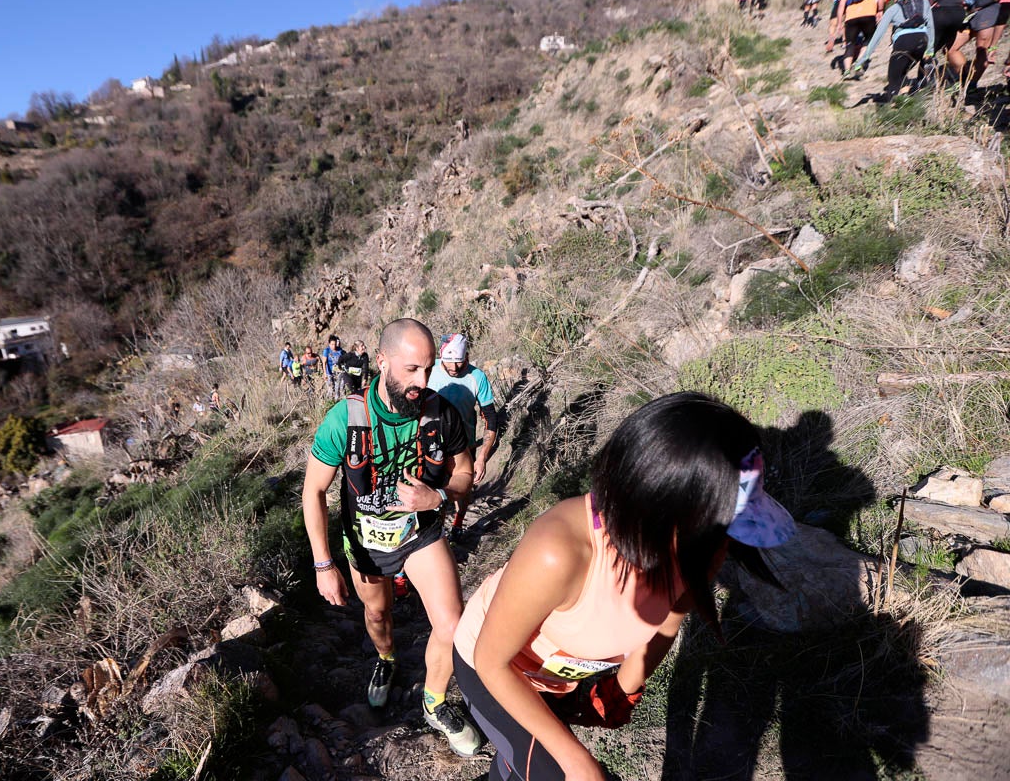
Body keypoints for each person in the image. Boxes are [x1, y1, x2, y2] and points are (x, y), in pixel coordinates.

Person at [451, 392, 795, 781]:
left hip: (560, 682)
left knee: (522, 768)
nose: (725, 550)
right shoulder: (560, 551)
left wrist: (622, 690)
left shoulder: (692, 549)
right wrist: (580, 764)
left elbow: (667, 623)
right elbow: (491, 661)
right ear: (663, 512)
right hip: (496, 670)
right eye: (720, 531)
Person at [302, 318, 482, 757]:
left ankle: (434, 701)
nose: (422, 381)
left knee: (451, 623)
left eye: (427, 369)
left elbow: (464, 472)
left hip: (420, 532)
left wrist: (435, 495)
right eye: (410, 370)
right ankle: (386, 661)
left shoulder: (441, 411)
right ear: (381, 362)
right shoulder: (345, 419)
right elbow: (314, 490)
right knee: (378, 618)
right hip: (365, 543)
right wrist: (324, 565)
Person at [427, 333, 499, 533]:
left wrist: (482, 457)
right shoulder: (428, 370)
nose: (455, 368)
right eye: (449, 364)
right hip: (432, 444)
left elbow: (490, 418)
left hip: (464, 445)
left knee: (464, 488)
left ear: (466, 357)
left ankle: (458, 521)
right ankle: (436, 533)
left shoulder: (477, 377)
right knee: (436, 490)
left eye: (460, 363)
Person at [848, 0, 935, 99]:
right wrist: (930, 50)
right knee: (902, 71)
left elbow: (878, 35)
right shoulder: (924, 3)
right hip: (922, 40)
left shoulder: (893, 9)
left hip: (904, 42)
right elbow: (930, 27)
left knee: (893, 77)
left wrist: (862, 59)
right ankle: (905, 100)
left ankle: (892, 105)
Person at [948, 0, 1005, 90]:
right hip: (972, 11)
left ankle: (971, 85)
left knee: (982, 48)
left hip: (991, 9)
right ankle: (964, 80)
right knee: (950, 48)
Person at [829, 0, 886, 75]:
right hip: (868, 14)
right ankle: (858, 64)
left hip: (851, 17)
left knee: (850, 44)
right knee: (868, 39)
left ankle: (846, 71)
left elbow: (841, 4)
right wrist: (880, 9)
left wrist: (839, 23)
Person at [917, 0, 964, 81]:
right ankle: (965, 79)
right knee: (950, 49)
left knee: (929, 50)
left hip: (940, 13)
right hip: (959, 13)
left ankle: (924, 83)